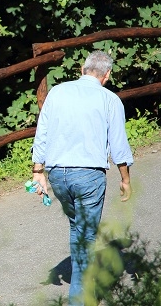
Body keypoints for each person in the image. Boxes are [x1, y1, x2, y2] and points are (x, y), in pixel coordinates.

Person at [31, 50, 133, 306]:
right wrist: (125, 178)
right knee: (86, 236)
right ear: (107, 75)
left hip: (58, 175)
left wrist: (37, 171)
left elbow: (42, 131)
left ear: (82, 69)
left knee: (77, 228)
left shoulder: (57, 92)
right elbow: (118, 145)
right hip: (88, 175)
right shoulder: (110, 100)